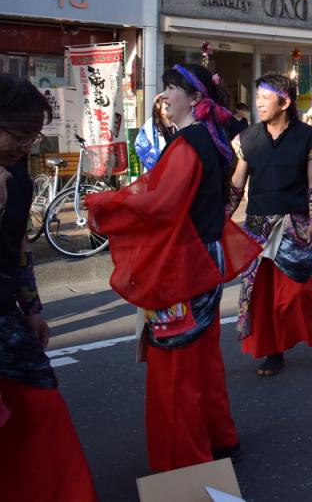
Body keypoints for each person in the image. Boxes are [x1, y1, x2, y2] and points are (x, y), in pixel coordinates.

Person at [88, 64, 261, 471]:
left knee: (175, 368)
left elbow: (157, 203)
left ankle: (183, 462)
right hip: (205, 255)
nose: (163, 95)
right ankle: (219, 440)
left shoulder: (188, 144)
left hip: (184, 266)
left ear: (196, 99)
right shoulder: (209, 141)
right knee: (202, 359)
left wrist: (105, 206)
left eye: (171, 88)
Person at [0, 75, 99, 500]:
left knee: (39, 404)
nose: (26, 146)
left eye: (33, 137)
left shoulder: (18, 177)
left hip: (5, 314)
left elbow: (20, 245)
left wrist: (33, 308)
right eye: (19, 136)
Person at [230, 73, 312, 377]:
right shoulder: (247, 138)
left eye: (265, 98)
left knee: (298, 291)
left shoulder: (309, 138)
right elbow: (237, 184)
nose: (259, 103)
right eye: (258, 97)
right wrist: (220, 215)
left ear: (285, 102)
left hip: (295, 224)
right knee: (261, 296)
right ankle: (273, 352)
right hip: (258, 226)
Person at [135, 94, 173, 172]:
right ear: (158, 105)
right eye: (165, 103)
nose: (168, 105)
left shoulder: (176, 121)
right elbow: (140, 147)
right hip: (159, 171)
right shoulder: (149, 125)